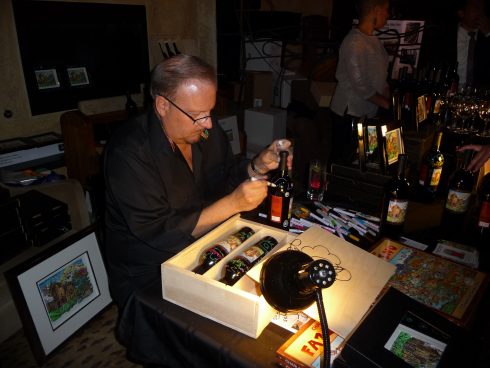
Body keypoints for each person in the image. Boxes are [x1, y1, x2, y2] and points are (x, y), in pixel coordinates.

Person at [104, 55, 292, 314]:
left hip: (206, 243)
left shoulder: (204, 132)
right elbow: (159, 232)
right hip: (150, 268)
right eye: (197, 115)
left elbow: (224, 176)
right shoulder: (129, 152)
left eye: (210, 112)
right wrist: (232, 204)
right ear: (162, 105)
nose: (209, 124)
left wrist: (257, 165)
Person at [329, 0, 391, 165]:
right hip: (349, 113)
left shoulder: (374, 41)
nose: (388, 14)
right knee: (344, 162)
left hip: (368, 112)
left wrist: (389, 95)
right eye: (386, 9)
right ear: (376, 10)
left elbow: (380, 77)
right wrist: (387, 104)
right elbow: (361, 85)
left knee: (364, 160)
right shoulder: (354, 42)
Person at [419, 0, 490, 90]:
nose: (480, 12)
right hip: (448, 90)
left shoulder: (485, 38)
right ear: (461, 13)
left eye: (482, 9)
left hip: (478, 93)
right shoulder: (444, 36)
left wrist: (488, 34)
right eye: (476, 7)